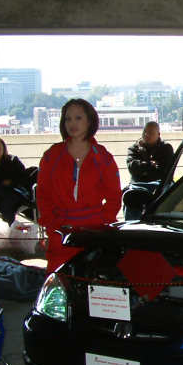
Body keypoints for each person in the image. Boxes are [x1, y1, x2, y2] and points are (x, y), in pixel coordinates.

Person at [37, 98, 122, 273]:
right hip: (61, 232)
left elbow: (114, 196)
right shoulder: (52, 155)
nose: (72, 123)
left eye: (78, 118)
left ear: (89, 121)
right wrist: (52, 226)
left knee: (93, 280)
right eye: (68, 119)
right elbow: (43, 194)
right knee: (59, 282)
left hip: (94, 233)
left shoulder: (103, 156)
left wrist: (102, 222)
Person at [123, 121, 174, 220]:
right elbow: (132, 168)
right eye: (144, 131)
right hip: (138, 185)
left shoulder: (166, 148)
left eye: (150, 132)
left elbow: (164, 172)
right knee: (130, 197)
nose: (146, 135)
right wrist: (150, 165)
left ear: (158, 134)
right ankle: (132, 227)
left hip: (159, 185)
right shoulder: (134, 148)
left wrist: (142, 170)